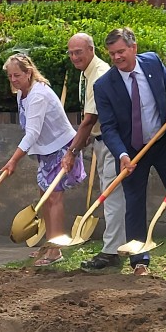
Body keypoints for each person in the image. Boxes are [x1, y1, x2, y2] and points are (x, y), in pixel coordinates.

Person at [93, 27, 166, 276]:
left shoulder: (153, 62)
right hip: (132, 152)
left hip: (164, 143)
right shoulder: (103, 85)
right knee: (134, 203)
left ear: (133, 48)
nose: (116, 58)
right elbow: (109, 127)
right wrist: (122, 155)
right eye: (112, 53)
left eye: (121, 51)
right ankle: (139, 260)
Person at [1, 53, 86, 267]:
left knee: (54, 199)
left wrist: (13, 160)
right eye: (10, 76)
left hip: (62, 149)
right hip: (46, 151)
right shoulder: (23, 93)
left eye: (17, 75)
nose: (13, 80)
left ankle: (55, 250)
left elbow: (32, 134)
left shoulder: (38, 95)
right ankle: (49, 242)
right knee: (44, 197)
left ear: (29, 72)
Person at [61, 33, 127, 270]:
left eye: (79, 51)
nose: (74, 57)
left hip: (113, 142)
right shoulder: (88, 73)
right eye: (70, 52)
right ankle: (117, 245)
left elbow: (90, 118)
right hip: (103, 139)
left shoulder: (98, 73)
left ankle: (111, 251)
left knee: (111, 196)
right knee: (112, 195)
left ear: (91, 50)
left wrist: (72, 151)